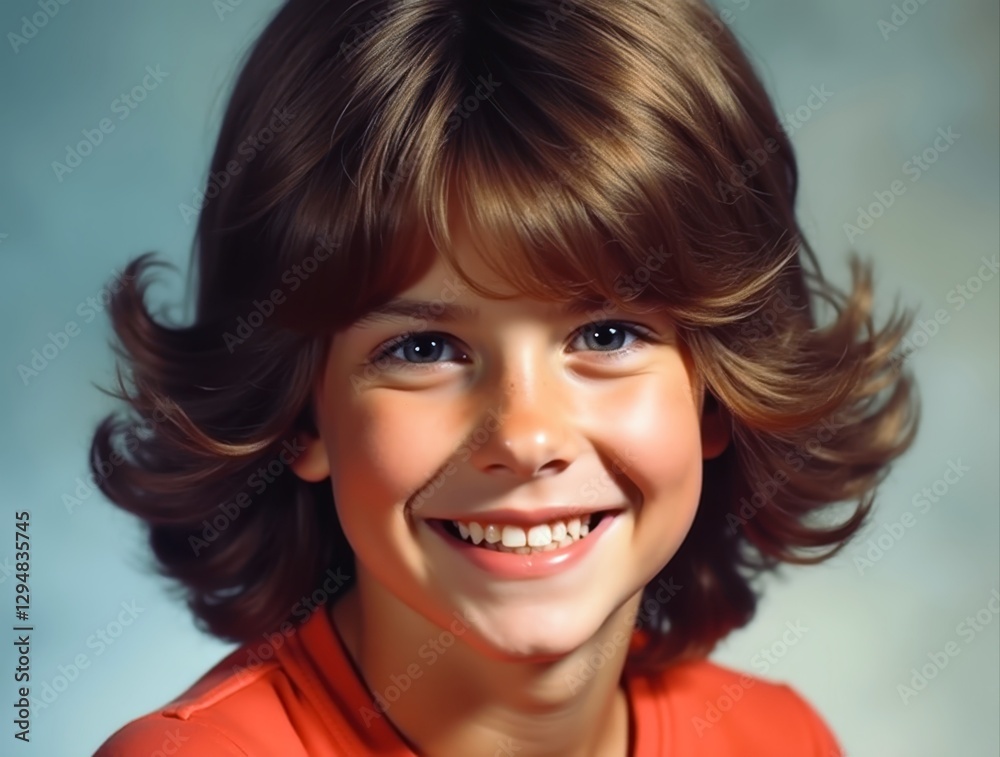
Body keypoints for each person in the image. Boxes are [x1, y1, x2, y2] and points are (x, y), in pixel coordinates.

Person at [91, 0, 918, 754]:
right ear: (302, 414)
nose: (526, 439)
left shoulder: (780, 739)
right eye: (424, 350)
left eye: (607, 332)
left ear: (716, 391)